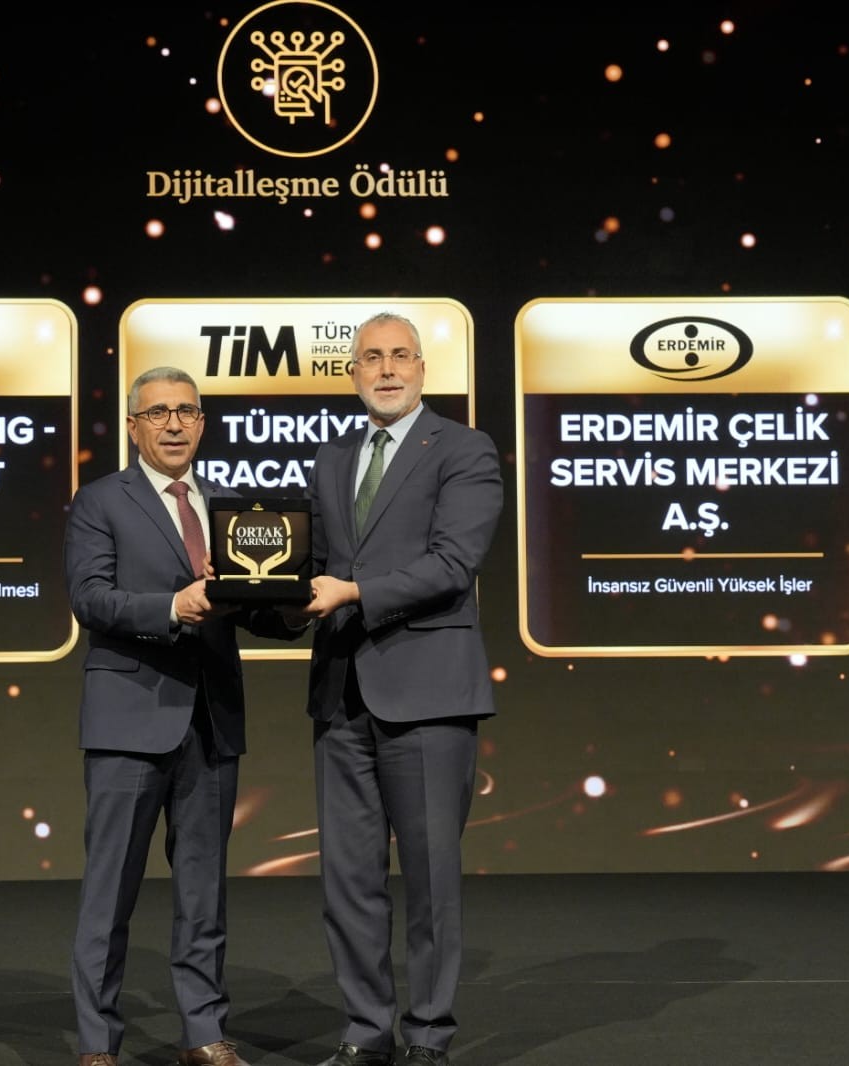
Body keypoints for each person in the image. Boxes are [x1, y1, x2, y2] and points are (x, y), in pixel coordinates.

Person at [65, 366, 300, 1066]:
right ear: (133, 426)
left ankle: (204, 1033)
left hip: (211, 721)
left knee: (204, 892)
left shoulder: (230, 508)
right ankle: (98, 1043)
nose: (173, 424)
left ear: (202, 423)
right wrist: (172, 606)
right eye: (158, 413)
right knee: (111, 890)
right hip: (130, 719)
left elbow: (252, 605)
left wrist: (296, 603)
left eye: (187, 412)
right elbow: (91, 598)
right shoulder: (101, 501)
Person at [299, 313, 503, 1066]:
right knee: (348, 880)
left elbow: (453, 563)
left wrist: (354, 592)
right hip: (341, 693)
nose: (386, 369)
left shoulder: (464, 449)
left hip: (428, 693)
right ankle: (364, 1032)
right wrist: (256, 592)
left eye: (400, 356)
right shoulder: (332, 457)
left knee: (430, 878)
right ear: (352, 371)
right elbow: (314, 568)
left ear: (422, 367)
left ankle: (427, 1035)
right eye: (371, 358)